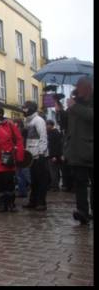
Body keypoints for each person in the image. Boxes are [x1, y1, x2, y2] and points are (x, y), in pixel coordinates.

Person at [64, 76, 94, 225]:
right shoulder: (75, 101)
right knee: (80, 183)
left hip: (90, 148)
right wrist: (61, 108)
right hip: (76, 150)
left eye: (80, 85)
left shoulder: (85, 103)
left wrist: (75, 106)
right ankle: (82, 212)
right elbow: (67, 126)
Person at [21, 101, 49, 211]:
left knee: (41, 180)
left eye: (26, 108)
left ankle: (41, 202)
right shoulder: (29, 121)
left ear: (31, 109)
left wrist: (41, 152)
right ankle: (33, 200)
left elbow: (43, 137)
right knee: (34, 180)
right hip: (32, 155)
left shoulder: (38, 121)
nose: (24, 110)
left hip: (39, 155)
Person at [13, 118, 31, 198]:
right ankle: (22, 191)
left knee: (25, 173)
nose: (15, 125)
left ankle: (28, 189)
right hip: (18, 155)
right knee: (19, 175)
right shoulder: (15, 133)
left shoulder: (24, 132)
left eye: (16, 124)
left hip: (25, 155)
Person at [46, 120, 63, 192]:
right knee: (54, 171)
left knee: (54, 172)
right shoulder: (51, 132)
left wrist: (54, 156)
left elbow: (56, 145)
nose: (46, 127)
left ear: (50, 125)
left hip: (54, 156)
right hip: (52, 155)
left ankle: (55, 186)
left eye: (47, 125)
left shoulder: (55, 133)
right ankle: (54, 185)